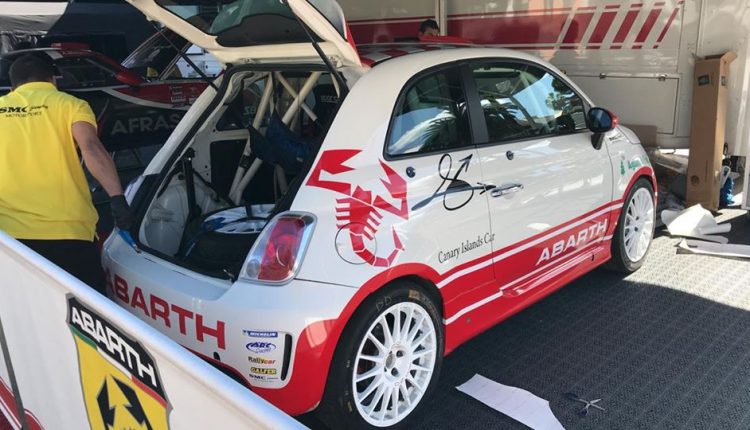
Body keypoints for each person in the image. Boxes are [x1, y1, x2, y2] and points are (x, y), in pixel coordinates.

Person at [0, 54, 133, 295]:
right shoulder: (71, 104)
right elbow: (91, 148)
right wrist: (117, 198)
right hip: (70, 232)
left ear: (13, 87)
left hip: (10, 239)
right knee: (83, 308)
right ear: (53, 80)